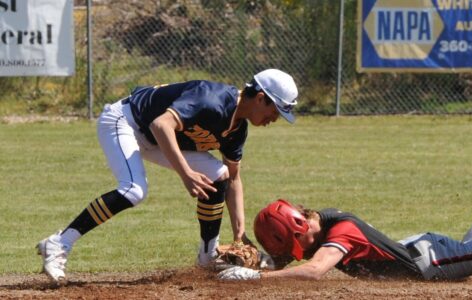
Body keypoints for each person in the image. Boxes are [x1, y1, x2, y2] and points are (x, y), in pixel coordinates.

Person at [218, 105, 472, 281]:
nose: (296, 255)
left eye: (293, 246)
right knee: (469, 251)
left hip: (432, 263)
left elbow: (313, 271)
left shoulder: (341, 233)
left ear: (299, 228)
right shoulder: (320, 226)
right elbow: (292, 263)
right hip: (425, 251)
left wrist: (256, 280)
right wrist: (238, 261)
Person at [37, 69, 299, 283]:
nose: (274, 118)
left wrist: (240, 235)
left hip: (158, 138)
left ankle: (208, 256)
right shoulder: (213, 100)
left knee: (219, 175)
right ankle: (59, 243)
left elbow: (233, 179)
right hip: (127, 121)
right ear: (261, 97)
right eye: (275, 110)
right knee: (134, 190)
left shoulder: (237, 129)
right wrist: (186, 174)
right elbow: (160, 124)